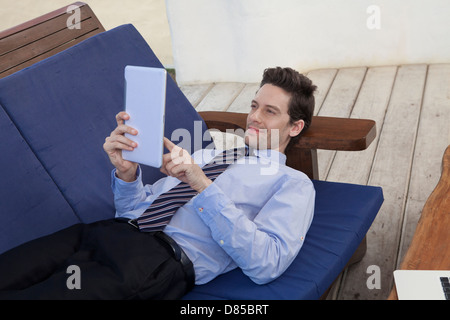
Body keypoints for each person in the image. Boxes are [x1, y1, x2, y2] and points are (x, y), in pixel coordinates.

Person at [0, 67, 316, 300]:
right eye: (253, 106)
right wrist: (127, 175)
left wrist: (203, 186)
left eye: (270, 111)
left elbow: (266, 264)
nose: (254, 117)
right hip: (105, 232)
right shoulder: (210, 154)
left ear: (295, 126)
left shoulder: (293, 184)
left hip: (153, 263)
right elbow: (133, 210)